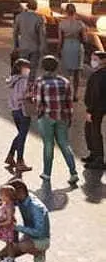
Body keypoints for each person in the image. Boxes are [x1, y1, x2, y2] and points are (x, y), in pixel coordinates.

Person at [28, 54, 79, 187]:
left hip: (46, 117)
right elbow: (69, 102)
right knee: (64, 144)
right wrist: (69, 117)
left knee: (48, 145)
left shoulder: (40, 82)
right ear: (57, 67)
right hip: (62, 116)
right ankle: (73, 172)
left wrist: (38, 112)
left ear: (43, 67)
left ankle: (47, 173)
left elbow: (38, 101)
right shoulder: (65, 82)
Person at [0, 178, 50, 262]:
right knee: (2, 255)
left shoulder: (36, 207)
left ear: (19, 192)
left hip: (41, 239)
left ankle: (40, 254)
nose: (10, 197)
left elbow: (39, 232)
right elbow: (1, 199)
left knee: (22, 246)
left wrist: (17, 227)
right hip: (28, 236)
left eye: (12, 194)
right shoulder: (20, 198)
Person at [4, 58, 34, 174]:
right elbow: (22, 96)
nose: (29, 70)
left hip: (14, 110)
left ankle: (10, 156)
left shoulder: (12, 80)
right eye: (27, 67)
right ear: (21, 69)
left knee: (20, 134)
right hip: (23, 110)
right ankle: (20, 161)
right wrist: (31, 95)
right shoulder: (23, 81)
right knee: (22, 136)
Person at [82, 49, 106, 170]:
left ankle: (98, 158)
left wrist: (90, 110)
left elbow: (96, 94)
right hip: (97, 107)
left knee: (94, 131)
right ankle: (94, 154)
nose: (93, 62)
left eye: (95, 60)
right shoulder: (98, 74)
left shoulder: (98, 75)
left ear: (103, 61)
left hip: (96, 107)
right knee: (90, 130)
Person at [57, 3, 88, 94]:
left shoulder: (62, 24)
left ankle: (67, 93)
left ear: (66, 12)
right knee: (76, 73)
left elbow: (60, 40)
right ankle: (75, 94)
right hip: (77, 46)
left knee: (66, 72)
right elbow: (85, 39)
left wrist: (59, 50)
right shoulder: (80, 24)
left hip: (66, 46)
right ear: (75, 12)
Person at [13, 0, 45, 74]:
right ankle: (31, 83)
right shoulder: (39, 18)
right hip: (34, 47)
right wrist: (42, 48)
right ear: (36, 7)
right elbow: (42, 35)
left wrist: (16, 46)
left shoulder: (19, 17)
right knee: (33, 69)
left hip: (23, 46)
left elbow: (15, 33)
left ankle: (24, 83)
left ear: (27, 6)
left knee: (23, 68)